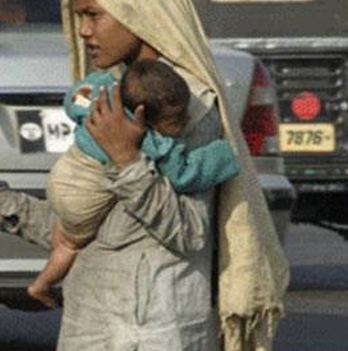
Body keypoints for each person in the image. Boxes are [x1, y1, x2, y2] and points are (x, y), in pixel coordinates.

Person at [0, 0, 288, 351]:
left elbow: (188, 232)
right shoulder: (109, 100)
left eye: (93, 15)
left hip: (156, 333)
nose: (83, 31)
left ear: (138, 10)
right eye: (80, 17)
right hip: (94, 328)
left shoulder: (182, 106)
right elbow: (83, 228)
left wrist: (128, 160)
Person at [27, 60, 240, 308]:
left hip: (61, 176)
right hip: (80, 194)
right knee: (69, 244)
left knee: (63, 227)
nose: (187, 120)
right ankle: (41, 285)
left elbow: (73, 100)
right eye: (176, 120)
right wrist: (225, 156)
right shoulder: (145, 138)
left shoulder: (99, 103)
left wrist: (99, 84)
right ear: (142, 116)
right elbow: (183, 175)